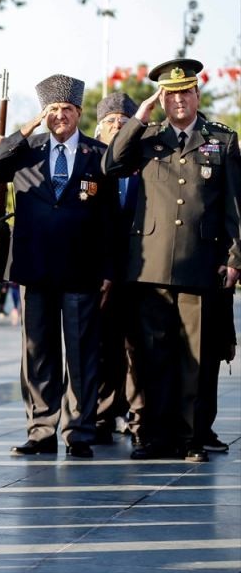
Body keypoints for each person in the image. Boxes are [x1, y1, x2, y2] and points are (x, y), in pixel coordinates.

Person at [102, 58, 240, 463]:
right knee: (151, 355)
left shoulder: (221, 139)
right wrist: (138, 117)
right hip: (151, 266)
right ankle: (155, 436)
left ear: (197, 94)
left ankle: (189, 437)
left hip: (201, 262)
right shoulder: (147, 138)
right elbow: (111, 165)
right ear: (161, 99)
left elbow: (235, 204)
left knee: (194, 357)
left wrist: (235, 257)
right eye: (170, 94)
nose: (179, 100)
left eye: (186, 92)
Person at [0, 74, 117, 459]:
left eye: (67, 110)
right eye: (53, 110)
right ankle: (40, 429)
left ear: (79, 113)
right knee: (38, 353)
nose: (60, 116)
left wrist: (108, 268)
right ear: (44, 113)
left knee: (81, 353)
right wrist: (25, 130)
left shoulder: (97, 153)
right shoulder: (26, 149)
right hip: (35, 268)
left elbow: (110, 218)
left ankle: (79, 432)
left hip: (81, 270)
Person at [92, 91, 141, 445]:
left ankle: (136, 415)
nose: (117, 128)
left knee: (137, 347)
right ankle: (102, 414)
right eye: (110, 123)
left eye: (124, 123)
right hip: (99, 270)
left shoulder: (145, 164)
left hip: (140, 270)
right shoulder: (89, 163)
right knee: (102, 346)